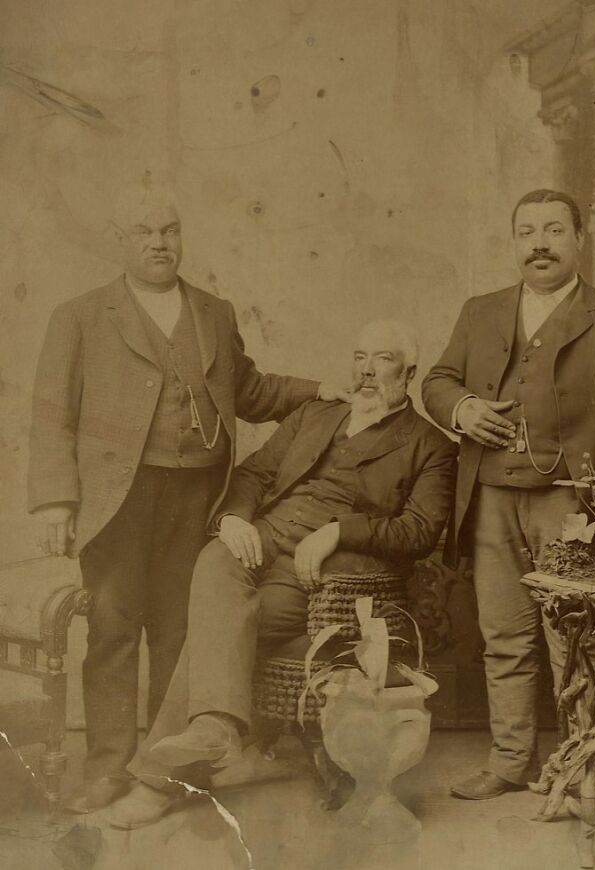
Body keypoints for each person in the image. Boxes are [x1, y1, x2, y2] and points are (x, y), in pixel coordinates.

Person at [27, 182, 346, 811]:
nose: (158, 243)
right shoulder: (81, 315)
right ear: (119, 241)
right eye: (143, 233)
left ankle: (164, 769)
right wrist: (56, 502)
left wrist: (320, 387)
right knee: (115, 628)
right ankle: (108, 768)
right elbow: (51, 415)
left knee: (179, 631)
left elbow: (249, 390)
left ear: (181, 236)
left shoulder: (213, 311)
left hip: (200, 494)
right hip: (120, 495)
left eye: (168, 231)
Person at [106, 319, 456, 828]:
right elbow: (254, 473)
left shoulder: (430, 445)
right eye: (359, 357)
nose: (365, 371)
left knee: (226, 622)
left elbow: (420, 530)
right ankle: (213, 727)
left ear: (409, 372)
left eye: (381, 359)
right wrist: (233, 519)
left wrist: (341, 531)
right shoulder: (316, 413)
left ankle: (165, 776)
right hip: (266, 539)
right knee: (215, 559)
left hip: (324, 575)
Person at [422, 188, 595, 800]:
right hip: (491, 498)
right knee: (503, 635)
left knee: (576, 642)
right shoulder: (480, 311)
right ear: (513, 243)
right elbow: (437, 381)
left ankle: (577, 761)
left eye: (554, 231)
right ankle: (510, 761)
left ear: (578, 240)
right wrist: (464, 408)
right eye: (527, 232)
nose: (540, 244)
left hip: (573, 507)